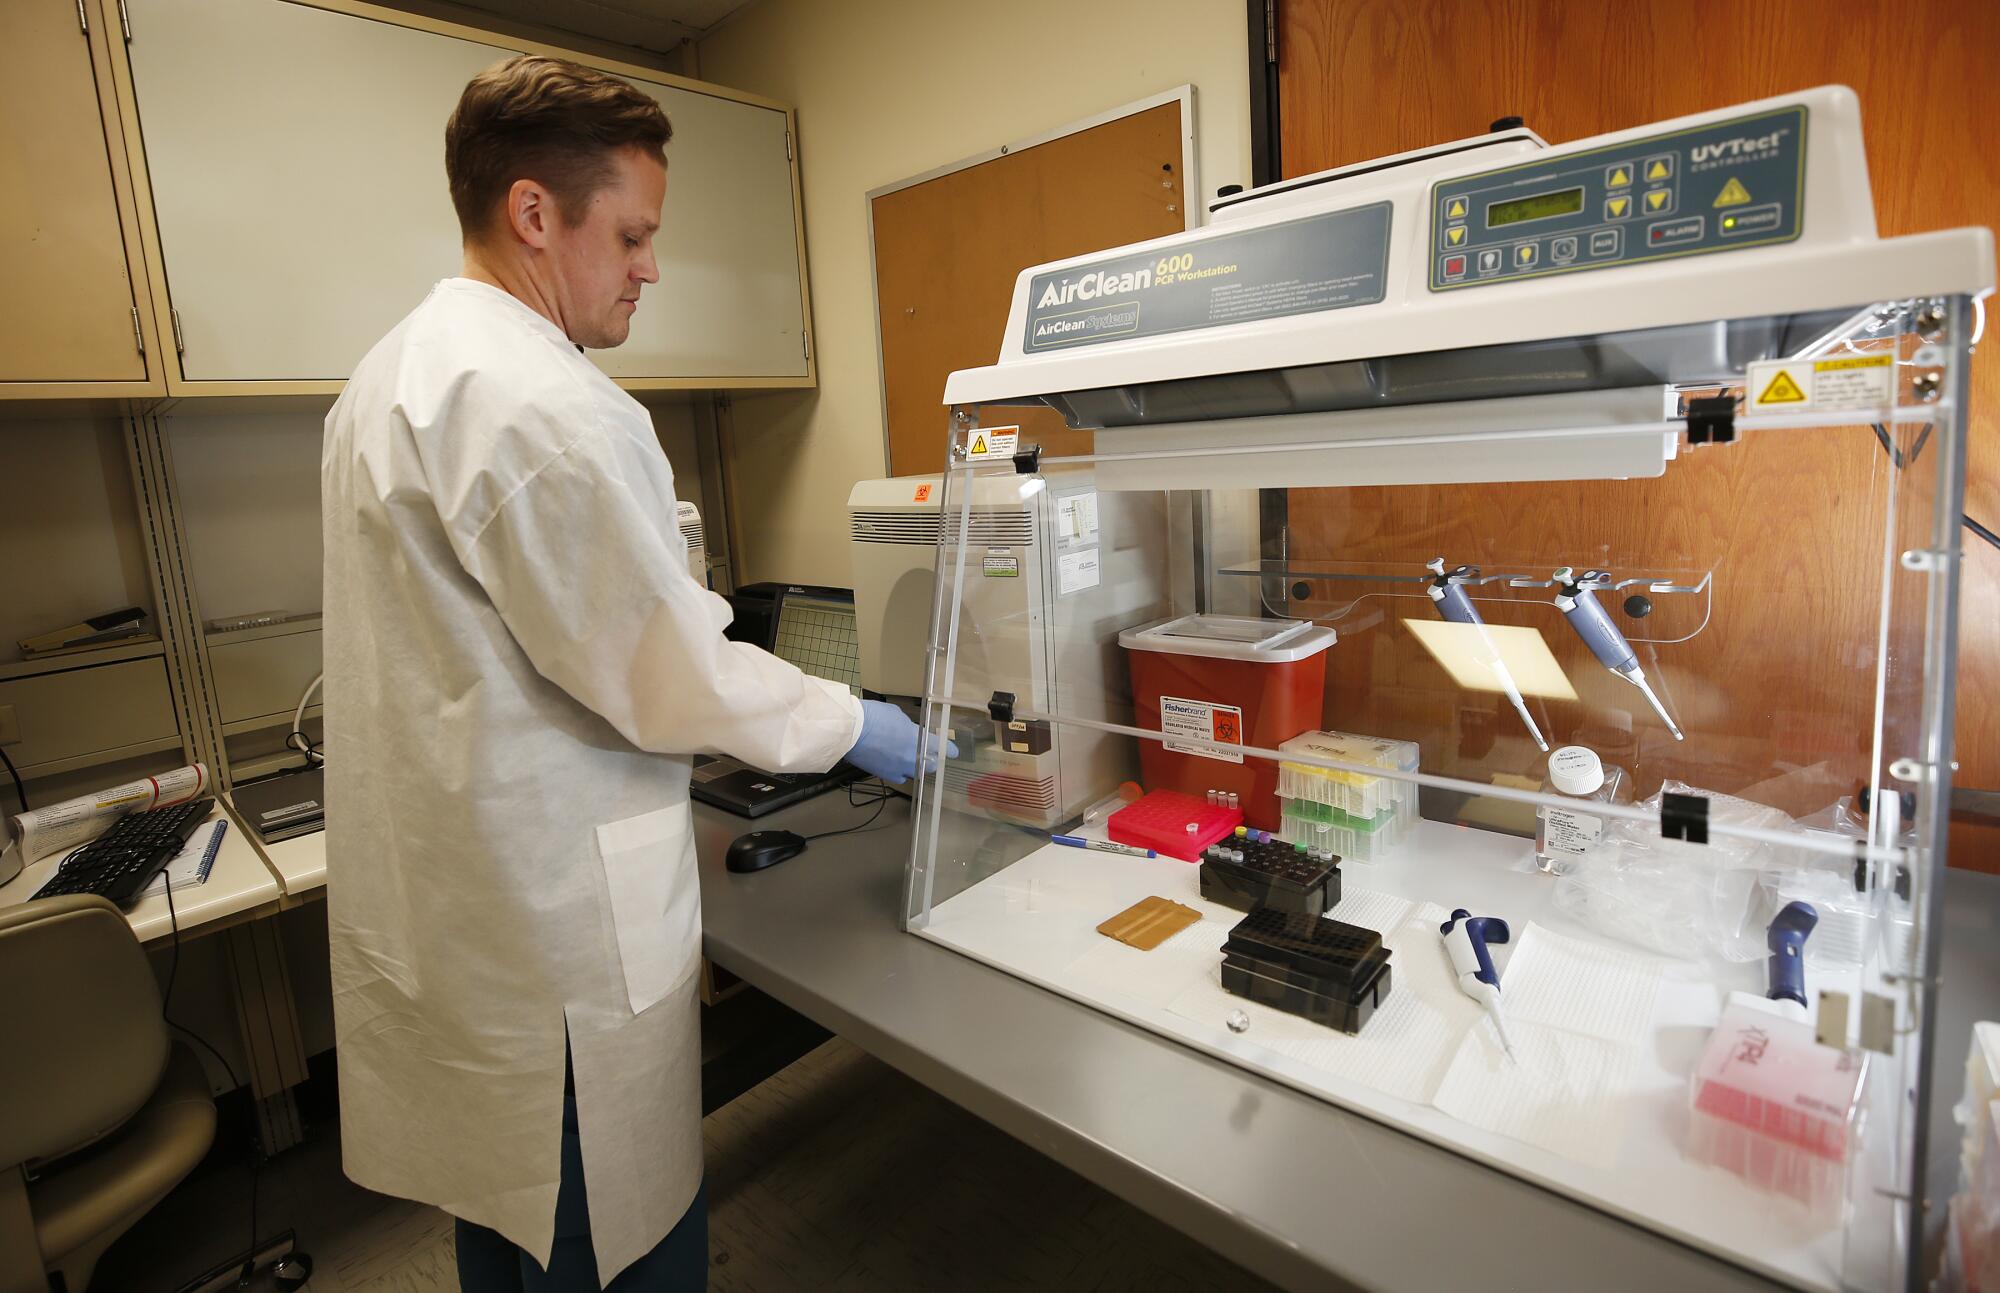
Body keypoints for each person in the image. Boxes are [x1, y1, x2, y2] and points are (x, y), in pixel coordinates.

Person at [320, 54, 938, 1291]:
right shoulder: (541, 403)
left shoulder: (392, 374)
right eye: (635, 234)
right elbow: (670, 672)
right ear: (535, 214)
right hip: (556, 950)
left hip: (471, 923)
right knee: (609, 1242)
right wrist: (867, 725)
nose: (651, 266)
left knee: (512, 1227)